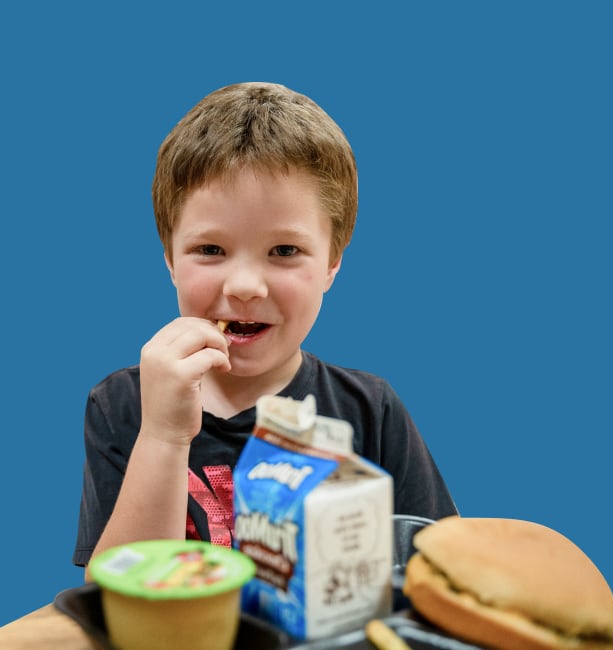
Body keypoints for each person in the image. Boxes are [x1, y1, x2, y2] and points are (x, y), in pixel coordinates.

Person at [75, 83, 458, 569]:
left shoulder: (370, 411)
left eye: (285, 251)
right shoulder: (123, 405)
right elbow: (114, 607)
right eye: (211, 250)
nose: (245, 286)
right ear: (170, 259)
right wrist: (164, 435)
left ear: (332, 263)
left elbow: (444, 576)